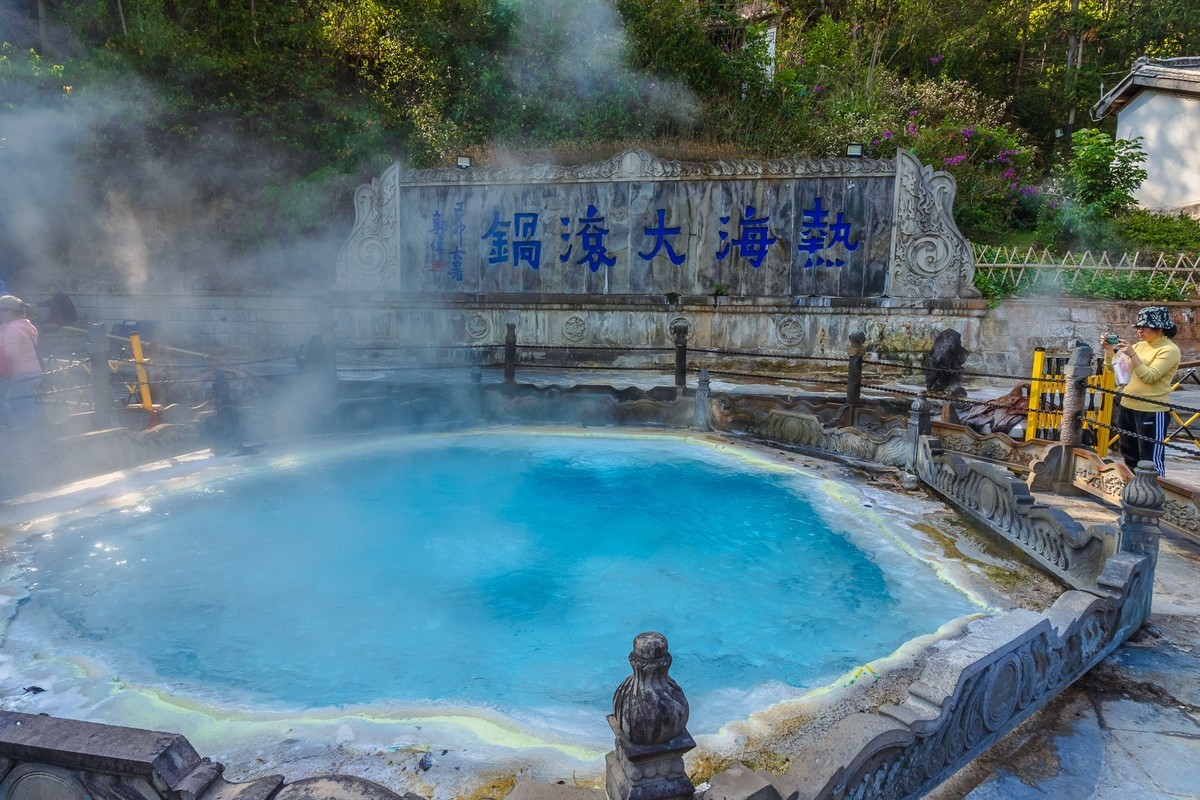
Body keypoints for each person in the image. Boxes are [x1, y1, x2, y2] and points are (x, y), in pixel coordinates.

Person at [1104, 306, 1181, 476]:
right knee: (1129, 455)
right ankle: (1134, 490)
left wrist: (1132, 354)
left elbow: (1150, 377)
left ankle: (1154, 495)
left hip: (1151, 410)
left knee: (1150, 460)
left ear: (1159, 328)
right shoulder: (1139, 346)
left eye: (1144, 327)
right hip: (1127, 405)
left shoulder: (1169, 350)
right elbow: (1115, 370)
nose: (1139, 330)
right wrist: (1109, 350)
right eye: (1138, 327)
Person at [0, 294, 43, 429]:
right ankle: (27, 430)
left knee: (14, 404)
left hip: (20, 373)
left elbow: (10, 354)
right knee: (25, 403)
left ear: (9, 311)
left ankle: (20, 433)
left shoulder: (12, 329)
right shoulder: (25, 325)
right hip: (33, 371)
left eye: (1, 311)